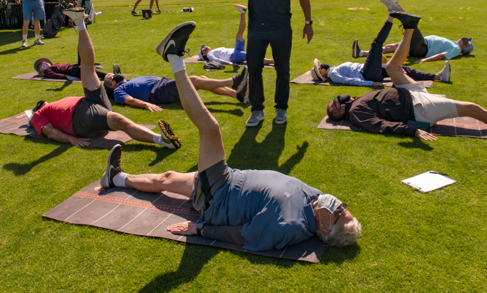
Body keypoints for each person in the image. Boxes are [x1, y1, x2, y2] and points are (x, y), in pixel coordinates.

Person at [99, 21, 362, 250]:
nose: (337, 204)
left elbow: (242, 235)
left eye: (338, 213)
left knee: (210, 128)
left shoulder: (289, 227)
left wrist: (200, 230)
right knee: (166, 179)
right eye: (342, 206)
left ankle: (173, 57)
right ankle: (116, 178)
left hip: (219, 198)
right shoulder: (315, 199)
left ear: (326, 229)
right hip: (230, 179)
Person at [326, 12, 487, 140]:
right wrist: (414, 131)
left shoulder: (355, 102)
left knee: (394, 68)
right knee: (473, 108)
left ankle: (410, 27)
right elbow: (382, 126)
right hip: (418, 108)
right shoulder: (357, 114)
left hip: (405, 93)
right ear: (339, 111)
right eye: (334, 103)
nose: (337, 99)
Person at [29, 8, 181, 149]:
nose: (43, 102)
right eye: (39, 104)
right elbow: (49, 131)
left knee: (88, 69)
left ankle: (80, 22)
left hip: (88, 102)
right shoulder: (38, 116)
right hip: (78, 118)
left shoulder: (53, 105)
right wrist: (70, 139)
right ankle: (162, 140)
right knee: (119, 120)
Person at [209, 0, 313, 127]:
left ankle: (281, 108)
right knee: (254, 69)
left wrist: (308, 22)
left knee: (282, 69)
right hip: (256, 29)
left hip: (281, 28)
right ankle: (257, 110)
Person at [311, 11, 450, 86]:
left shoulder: (335, 69)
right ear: (322, 74)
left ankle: (439, 76)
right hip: (367, 74)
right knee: (376, 45)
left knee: (402, 69)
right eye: (320, 67)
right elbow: (351, 81)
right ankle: (390, 17)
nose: (322, 65)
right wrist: (372, 83)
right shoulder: (334, 75)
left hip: (369, 69)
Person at [353, 0, 474, 64]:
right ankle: (361, 53)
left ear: (464, 48)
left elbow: (442, 56)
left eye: (466, 42)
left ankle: (394, 2)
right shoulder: (454, 44)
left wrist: (424, 60)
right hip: (420, 44)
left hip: (422, 48)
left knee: (411, 22)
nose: (464, 40)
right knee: (390, 47)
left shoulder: (456, 49)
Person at [103, 66, 249, 110]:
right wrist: (146, 104)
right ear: (111, 86)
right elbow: (130, 101)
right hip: (158, 92)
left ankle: (237, 95)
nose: (113, 77)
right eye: (111, 78)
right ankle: (233, 81)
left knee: (201, 80)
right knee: (194, 81)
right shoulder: (118, 91)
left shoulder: (127, 81)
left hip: (163, 84)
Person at [198, 4, 273, 66]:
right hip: (233, 56)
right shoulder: (209, 55)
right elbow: (216, 60)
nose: (205, 47)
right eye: (203, 49)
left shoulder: (212, 51)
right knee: (252, 57)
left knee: (239, 33)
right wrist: (228, 63)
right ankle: (273, 61)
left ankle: (242, 12)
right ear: (204, 55)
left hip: (236, 51)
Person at [34, 57, 120, 81]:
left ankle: (112, 76)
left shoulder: (55, 65)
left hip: (74, 67)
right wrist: (66, 77)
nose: (44, 64)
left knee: (92, 71)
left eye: (43, 62)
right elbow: (54, 75)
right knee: (92, 71)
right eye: (41, 65)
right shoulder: (47, 70)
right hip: (72, 71)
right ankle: (114, 76)